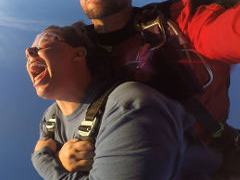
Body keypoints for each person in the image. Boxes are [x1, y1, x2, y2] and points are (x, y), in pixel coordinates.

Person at [26, 23, 219, 180]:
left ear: (78, 54)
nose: (29, 51)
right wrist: (59, 160)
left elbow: (44, 152)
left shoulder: (130, 106)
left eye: (45, 40)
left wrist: (43, 160)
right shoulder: (50, 119)